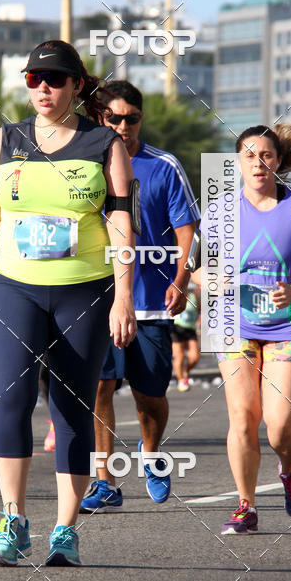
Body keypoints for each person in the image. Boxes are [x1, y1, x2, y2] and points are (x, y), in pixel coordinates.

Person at [0, 39, 137, 566]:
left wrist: (123, 296)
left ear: (77, 85)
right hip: (12, 285)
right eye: (34, 79)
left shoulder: (104, 144)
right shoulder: (4, 141)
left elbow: (121, 222)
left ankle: (65, 530)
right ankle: (12, 521)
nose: (43, 87)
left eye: (54, 78)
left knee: (71, 403)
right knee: (9, 399)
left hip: (85, 289)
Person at [81, 80, 198, 514]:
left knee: (149, 396)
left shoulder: (164, 166)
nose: (124, 126)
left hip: (151, 302)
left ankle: (151, 453)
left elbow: (190, 234)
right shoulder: (83, 165)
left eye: (132, 118)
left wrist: (181, 281)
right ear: (99, 119)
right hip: (97, 300)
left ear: (141, 119)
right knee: (99, 389)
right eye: (114, 118)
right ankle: (104, 480)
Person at [214, 124, 291, 534]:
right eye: (249, 155)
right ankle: (245, 506)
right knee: (243, 417)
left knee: (280, 426)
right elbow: (201, 273)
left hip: (289, 324)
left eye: (266, 155)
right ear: (238, 163)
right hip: (235, 324)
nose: (258, 163)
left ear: (278, 161)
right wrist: (221, 281)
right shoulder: (223, 211)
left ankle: (289, 467)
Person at [171, 286, 200, 391]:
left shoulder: (193, 295)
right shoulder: (175, 292)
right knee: (179, 356)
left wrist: (199, 322)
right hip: (177, 327)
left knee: (195, 356)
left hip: (191, 328)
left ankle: (185, 371)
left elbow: (199, 309)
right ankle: (181, 380)